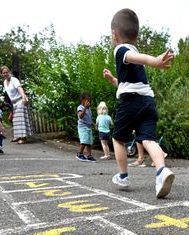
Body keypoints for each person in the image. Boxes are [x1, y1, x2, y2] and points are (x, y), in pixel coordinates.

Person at [103, 8, 175, 198]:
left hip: (130, 103)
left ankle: (123, 176)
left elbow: (133, 57)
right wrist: (114, 81)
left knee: (118, 138)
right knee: (148, 140)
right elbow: (129, 83)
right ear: (136, 36)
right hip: (147, 102)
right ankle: (162, 171)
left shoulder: (121, 50)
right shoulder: (133, 53)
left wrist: (155, 61)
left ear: (114, 34)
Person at [0, 65, 31, 144]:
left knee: (21, 120)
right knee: (15, 120)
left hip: (20, 101)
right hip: (14, 103)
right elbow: (10, 95)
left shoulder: (14, 80)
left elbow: (20, 88)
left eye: (7, 72)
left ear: (9, 72)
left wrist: (24, 97)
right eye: (4, 73)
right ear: (1, 74)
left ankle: (23, 138)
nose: (6, 74)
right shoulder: (4, 82)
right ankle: (18, 136)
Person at [75, 92, 96, 162]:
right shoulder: (80, 107)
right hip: (82, 127)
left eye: (90, 101)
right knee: (84, 141)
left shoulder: (89, 109)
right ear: (82, 100)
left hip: (89, 127)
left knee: (89, 142)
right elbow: (80, 116)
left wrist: (94, 125)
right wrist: (85, 108)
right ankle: (79, 154)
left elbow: (89, 119)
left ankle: (89, 155)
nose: (89, 102)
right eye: (87, 100)